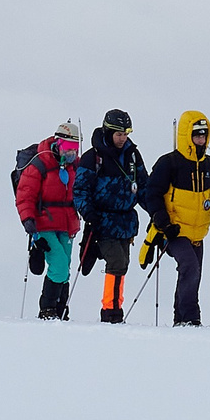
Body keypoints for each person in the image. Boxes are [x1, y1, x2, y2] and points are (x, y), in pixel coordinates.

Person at [141, 110, 210, 328]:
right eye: (197, 135)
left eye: (204, 135)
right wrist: (163, 222)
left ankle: (181, 319)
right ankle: (190, 318)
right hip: (173, 231)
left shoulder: (209, 164)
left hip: (198, 232)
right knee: (190, 266)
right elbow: (151, 194)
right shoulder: (169, 163)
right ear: (186, 135)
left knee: (193, 272)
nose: (201, 140)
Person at [74, 109, 152, 323]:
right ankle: (111, 312)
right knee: (117, 263)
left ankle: (114, 307)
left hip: (126, 221)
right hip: (102, 220)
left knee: (123, 263)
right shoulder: (93, 157)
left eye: (126, 133)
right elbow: (80, 189)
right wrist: (88, 213)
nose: (123, 138)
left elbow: (143, 186)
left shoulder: (133, 155)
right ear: (108, 131)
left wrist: (155, 211)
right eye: (119, 134)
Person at [15, 125, 83, 320]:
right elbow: (25, 195)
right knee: (60, 265)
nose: (71, 152)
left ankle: (61, 309)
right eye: (68, 146)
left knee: (65, 266)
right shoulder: (40, 164)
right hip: (43, 223)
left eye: (75, 147)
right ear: (58, 143)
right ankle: (48, 309)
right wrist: (28, 221)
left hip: (67, 223)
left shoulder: (75, 166)